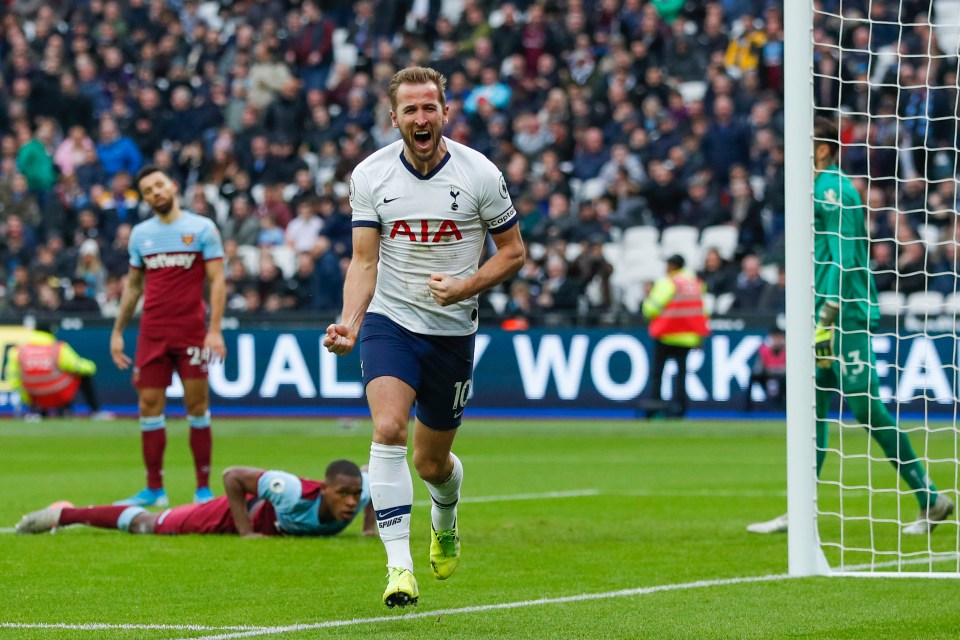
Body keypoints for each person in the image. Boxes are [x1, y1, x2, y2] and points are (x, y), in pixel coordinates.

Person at [323, 67, 525, 608]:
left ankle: (445, 515)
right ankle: (398, 569)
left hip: (452, 332)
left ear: (444, 112)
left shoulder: (480, 174)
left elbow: (513, 253)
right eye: (409, 110)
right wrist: (351, 322)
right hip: (391, 321)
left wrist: (466, 286)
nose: (420, 118)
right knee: (387, 428)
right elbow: (364, 261)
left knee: (431, 463)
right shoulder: (370, 176)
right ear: (394, 118)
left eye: (428, 108)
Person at [747, 118, 954, 535]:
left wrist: (829, 310)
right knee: (812, 410)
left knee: (865, 409)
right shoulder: (816, 188)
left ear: (822, 150)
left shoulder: (831, 188)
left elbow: (843, 254)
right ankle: (800, 510)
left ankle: (930, 498)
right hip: (819, 312)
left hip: (842, 314)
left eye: (802, 144)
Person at [110, 165, 227, 508]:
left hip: (191, 330)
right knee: (148, 407)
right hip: (152, 332)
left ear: (173, 186)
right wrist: (118, 332)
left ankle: (203, 489)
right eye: (147, 190)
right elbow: (133, 287)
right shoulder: (140, 235)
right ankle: (154, 490)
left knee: (197, 406)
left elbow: (217, 281)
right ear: (144, 198)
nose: (155, 193)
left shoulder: (202, 228)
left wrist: (215, 329)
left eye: (159, 185)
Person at [16, 460, 374, 538]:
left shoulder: (364, 494)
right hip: (232, 514)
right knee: (148, 526)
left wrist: (370, 528)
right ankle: (64, 514)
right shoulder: (293, 491)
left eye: (354, 495)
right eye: (342, 493)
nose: (350, 502)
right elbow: (232, 476)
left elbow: (377, 482)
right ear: (325, 489)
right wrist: (246, 531)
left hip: (252, 522)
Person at [641, 254, 710, 419]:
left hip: (666, 335)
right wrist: (700, 335)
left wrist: (647, 299)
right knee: (681, 376)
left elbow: (651, 309)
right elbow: (703, 311)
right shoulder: (696, 284)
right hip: (687, 337)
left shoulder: (667, 283)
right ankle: (680, 410)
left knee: (658, 374)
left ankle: (656, 409)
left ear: (672, 266)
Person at [4, 323, 113, 421]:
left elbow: (12, 376)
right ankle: (93, 411)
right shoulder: (58, 348)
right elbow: (77, 366)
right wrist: (92, 366)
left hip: (33, 396)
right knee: (81, 375)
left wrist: (27, 398)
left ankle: (38, 412)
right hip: (56, 393)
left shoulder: (18, 350)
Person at [744, 327, 786, 411]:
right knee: (753, 377)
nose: (776, 340)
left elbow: (787, 369)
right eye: (774, 337)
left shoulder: (788, 350)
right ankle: (747, 407)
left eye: (779, 337)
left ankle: (783, 405)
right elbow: (759, 368)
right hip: (768, 375)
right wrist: (771, 370)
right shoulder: (764, 350)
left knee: (785, 380)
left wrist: (773, 370)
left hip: (782, 377)